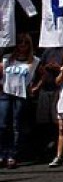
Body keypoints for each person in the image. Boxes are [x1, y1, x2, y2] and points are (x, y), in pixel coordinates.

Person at [0, 33, 40, 168]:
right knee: (3, 124)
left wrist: (35, 87)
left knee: (17, 125)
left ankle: (13, 154)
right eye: (20, 42)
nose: (22, 45)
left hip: (21, 95)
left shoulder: (34, 61)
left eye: (25, 42)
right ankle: (2, 153)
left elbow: (44, 74)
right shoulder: (7, 59)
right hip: (6, 93)